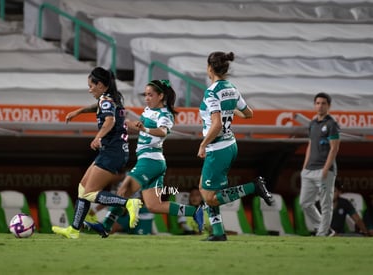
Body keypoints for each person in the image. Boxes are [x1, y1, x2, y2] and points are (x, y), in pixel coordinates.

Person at [84, 80, 204, 237]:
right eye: (145, 95)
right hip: (150, 160)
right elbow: (140, 127)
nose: (147, 98)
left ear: (160, 96)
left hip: (150, 160)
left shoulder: (166, 114)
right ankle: (195, 211)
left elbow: (161, 132)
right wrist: (129, 124)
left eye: (150, 95)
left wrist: (145, 128)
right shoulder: (147, 110)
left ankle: (106, 225)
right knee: (154, 205)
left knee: (124, 189)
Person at [52, 67, 142, 239]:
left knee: (89, 193)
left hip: (112, 152)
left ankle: (129, 203)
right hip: (113, 151)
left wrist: (98, 137)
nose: (89, 89)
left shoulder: (106, 100)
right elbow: (99, 107)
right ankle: (74, 229)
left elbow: (109, 120)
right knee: (82, 188)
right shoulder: (111, 98)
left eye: (91, 85)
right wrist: (79, 111)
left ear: (100, 85)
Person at [197, 51, 274, 241]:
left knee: (209, 197)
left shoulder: (212, 92)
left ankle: (253, 187)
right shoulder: (231, 88)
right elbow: (248, 113)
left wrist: (202, 145)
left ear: (209, 68)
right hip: (229, 144)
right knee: (203, 188)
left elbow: (215, 125)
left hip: (217, 147)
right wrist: (229, 110)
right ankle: (218, 233)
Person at [299, 92, 340, 237]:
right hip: (309, 170)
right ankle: (326, 230)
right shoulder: (312, 123)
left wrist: (326, 168)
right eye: (317, 103)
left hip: (324, 170)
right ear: (314, 105)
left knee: (325, 204)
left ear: (328, 106)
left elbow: (334, 148)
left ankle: (322, 234)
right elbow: (310, 145)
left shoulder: (331, 124)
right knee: (304, 203)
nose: (320, 106)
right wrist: (304, 167)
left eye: (323, 103)